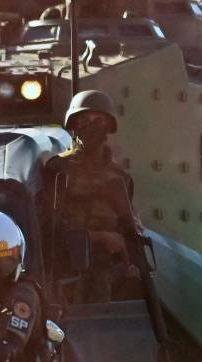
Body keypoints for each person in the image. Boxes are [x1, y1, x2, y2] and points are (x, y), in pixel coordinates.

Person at [45, 89, 144, 303]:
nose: (91, 126)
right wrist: (97, 237)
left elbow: (129, 229)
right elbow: (47, 230)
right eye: (84, 120)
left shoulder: (121, 178)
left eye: (98, 120)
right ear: (74, 125)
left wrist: (132, 257)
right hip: (65, 272)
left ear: (109, 127)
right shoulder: (57, 170)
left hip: (107, 276)